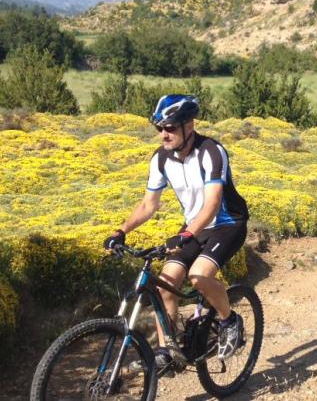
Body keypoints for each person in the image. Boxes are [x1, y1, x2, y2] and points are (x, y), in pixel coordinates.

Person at [103, 94, 250, 370]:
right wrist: (120, 230)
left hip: (227, 224)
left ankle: (230, 320)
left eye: (170, 127)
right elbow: (149, 204)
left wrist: (186, 235)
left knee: (198, 277)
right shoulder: (161, 159)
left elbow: (212, 204)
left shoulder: (211, 151)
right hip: (195, 225)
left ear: (189, 126)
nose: (164, 134)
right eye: (160, 128)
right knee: (165, 285)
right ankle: (166, 352)